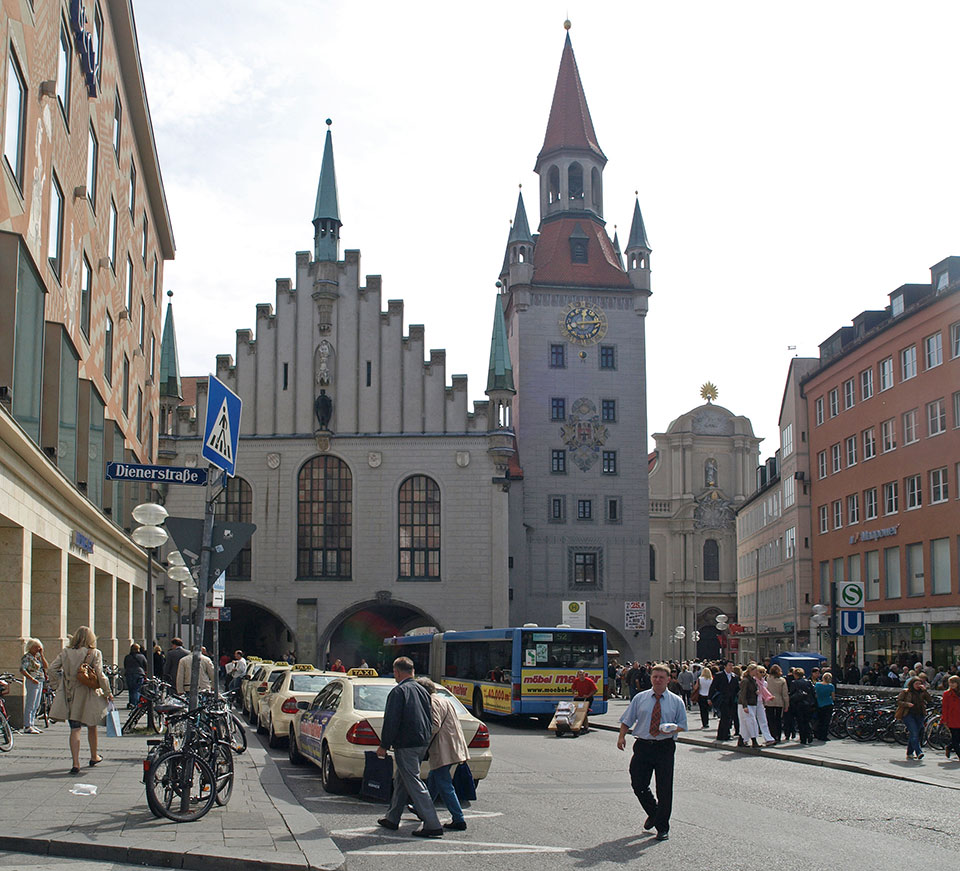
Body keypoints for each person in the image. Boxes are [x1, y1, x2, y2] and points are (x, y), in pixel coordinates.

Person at [616, 663, 687, 842]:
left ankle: (662, 827)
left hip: (664, 746)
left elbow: (682, 725)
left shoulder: (676, 701)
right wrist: (621, 736)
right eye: (655, 677)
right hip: (643, 746)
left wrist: (672, 728)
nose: (657, 680)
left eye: (661, 677)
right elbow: (627, 720)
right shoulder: (640, 698)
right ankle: (654, 813)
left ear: (668, 679)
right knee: (638, 784)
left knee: (664, 788)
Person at [375, 656, 444, 838]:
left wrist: (384, 745)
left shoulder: (398, 692)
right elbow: (429, 717)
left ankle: (432, 823)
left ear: (397, 672)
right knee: (401, 779)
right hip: (421, 742)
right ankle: (392, 817)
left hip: (406, 743)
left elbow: (391, 721)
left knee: (413, 781)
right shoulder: (422, 690)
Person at [48, 626, 112, 775]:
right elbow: (100, 674)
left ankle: (75, 763)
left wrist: (58, 685)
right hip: (89, 693)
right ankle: (94, 756)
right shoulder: (94, 653)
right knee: (92, 726)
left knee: (75, 729)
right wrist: (108, 692)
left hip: (70, 693)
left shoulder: (66, 652)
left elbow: (52, 669)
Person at [416, 677, 468, 831]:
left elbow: (434, 725)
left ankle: (458, 818)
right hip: (452, 745)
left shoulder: (431, 702)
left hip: (443, 747)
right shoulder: (444, 700)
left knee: (444, 783)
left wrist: (422, 741)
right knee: (435, 778)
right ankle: (422, 808)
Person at [897, 675, 932, 761]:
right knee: (914, 732)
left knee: (916, 733)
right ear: (912, 684)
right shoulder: (906, 692)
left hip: (920, 714)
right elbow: (899, 701)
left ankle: (909, 752)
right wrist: (907, 704)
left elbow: (929, 700)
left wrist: (925, 691)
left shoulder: (922, 692)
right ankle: (918, 752)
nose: (918, 685)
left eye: (920, 684)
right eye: (916, 684)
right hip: (908, 714)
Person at [20, 638, 47, 734]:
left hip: (40, 681)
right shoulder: (27, 657)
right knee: (30, 703)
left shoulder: (37, 657)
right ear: (30, 647)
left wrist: (42, 655)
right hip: (33, 681)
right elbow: (22, 669)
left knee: (36, 704)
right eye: (35, 647)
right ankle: (27, 725)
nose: (37, 649)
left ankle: (32, 723)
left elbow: (45, 666)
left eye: (39, 647)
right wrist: (31, 678)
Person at [710, 661, 739, 741]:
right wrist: (710, 698)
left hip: (731, 700)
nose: (731, 667)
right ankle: (724, 735)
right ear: (725, 666)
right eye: (729, 665)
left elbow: (737, 689)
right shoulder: (719, 675)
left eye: (732, 666)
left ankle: (723, 734)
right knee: (725, 717)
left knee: (727, 717)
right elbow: (713, 687)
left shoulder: (734, 676)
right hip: (722, 699)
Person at [788, 668, 816, 744]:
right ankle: (809, 734)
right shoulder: (808, 682)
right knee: (807, 720)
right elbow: (813, 692)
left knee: (800, 721)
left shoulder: (794, 682)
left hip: (799, 704)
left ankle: (803, 738)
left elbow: (792, 693)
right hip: (808, 704)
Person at [737, 663, 761, 748]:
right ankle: (754, 741)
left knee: (746, 723)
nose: (757, 672)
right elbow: (743, 694)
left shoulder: (752, 680)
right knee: (750, 722)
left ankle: (741, 740)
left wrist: (756, 692)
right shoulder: (745, 681)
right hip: (746, 704)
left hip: (752, 703)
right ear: (751, 670)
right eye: (756, 670)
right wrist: (745, 706)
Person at [764, 664, 789, 743]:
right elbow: (785, 694)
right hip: (779, 701)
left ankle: (772, 735)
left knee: (770, 719)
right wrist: (786, 705)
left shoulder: (767, 679)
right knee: (778, 719)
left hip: (769, 701)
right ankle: (778, 736)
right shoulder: (782, 680)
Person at [123, 643, 148, 709]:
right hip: (139, 673)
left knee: (131, 689)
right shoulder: (141, 656)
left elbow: (125, 665)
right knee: (137, 689)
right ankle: (135, 704)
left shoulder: (127, 657)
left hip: (129, 673)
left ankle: (131, 702)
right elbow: (145, 665)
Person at [941, 675, 960, 760]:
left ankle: (949, 747)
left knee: (957, 738)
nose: (952, 685)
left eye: (953, 683)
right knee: (955, 739)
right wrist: (944, 719)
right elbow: (945, 707)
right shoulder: (947, 694)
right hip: (952, 718)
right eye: (950, 683)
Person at [814, 672, 835, 741]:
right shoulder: (831, 686)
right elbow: (833, 697)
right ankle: (824, 735)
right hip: (828, 704)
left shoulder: (817, 685)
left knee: (820, 720)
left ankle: (818, 734)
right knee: (826, 721)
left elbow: (815, 694)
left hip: (819, 704)